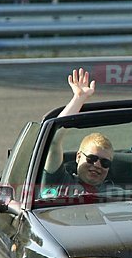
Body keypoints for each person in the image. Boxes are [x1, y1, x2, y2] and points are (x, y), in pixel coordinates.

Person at [39, 69, 116, 198]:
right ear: (78, 156)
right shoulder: (60, 181)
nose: (97, 165)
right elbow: (54, 140)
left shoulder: (115, 192)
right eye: (92, 158)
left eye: (105, 163)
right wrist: (79, 98)